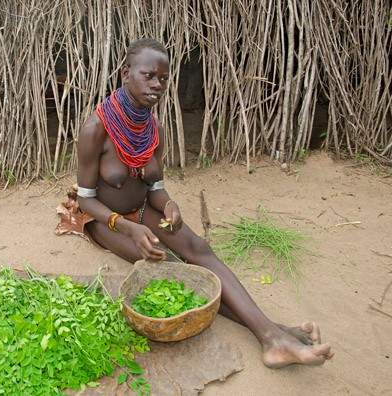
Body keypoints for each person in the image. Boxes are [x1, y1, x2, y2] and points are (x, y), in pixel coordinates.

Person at [73, 38, 334, 368]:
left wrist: (170, 206)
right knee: (174, 266)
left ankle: (272, 336)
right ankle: (275, 333)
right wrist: (127, 227)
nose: (157, 85)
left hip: (143, 211)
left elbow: (155, 187)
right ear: (126, 73)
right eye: (148, 75)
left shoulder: (154, 128)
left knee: (199, 249)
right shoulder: (96, 129)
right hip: (106, 220)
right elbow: (85, 201)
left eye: (164, 79)